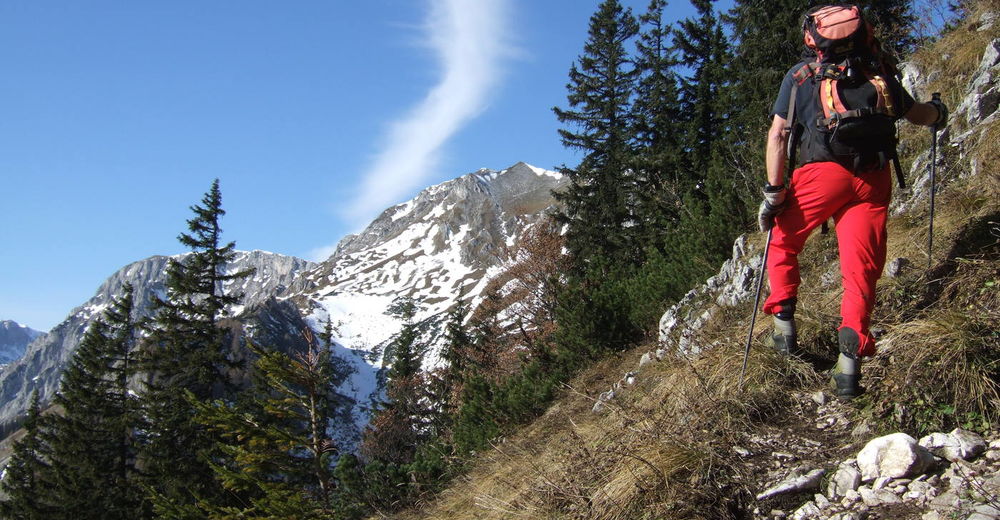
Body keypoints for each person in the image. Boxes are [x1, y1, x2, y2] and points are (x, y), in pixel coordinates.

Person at [758, 5, 947, 400]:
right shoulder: (879, 72)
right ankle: (848, 369)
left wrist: (775, 192)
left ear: (815, 39)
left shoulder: (802, 76)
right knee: (861, 269)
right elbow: (918, 114)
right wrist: (939, 114)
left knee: (782, 239)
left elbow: (778, 135)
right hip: (872, 179)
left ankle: (784, 328)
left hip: (820, 176)